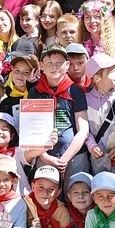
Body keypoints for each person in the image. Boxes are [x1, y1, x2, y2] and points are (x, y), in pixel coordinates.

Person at [25, 44, 90, 177]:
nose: (54, 67)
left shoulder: (75, 90)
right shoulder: (35, 92)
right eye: (49, 63)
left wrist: (65, 159)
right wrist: (45, 157)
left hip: (74, 156)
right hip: (45, 156)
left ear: (67, 65)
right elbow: (31, 130)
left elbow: (83, 130)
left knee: (75, 188)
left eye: (59, 63)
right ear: (41, 66)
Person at [84, 54, 115, 175]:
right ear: (97, 78)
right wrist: (91, 145)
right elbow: (84, 129)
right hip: (98, 160)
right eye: (112, 72)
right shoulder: (86, 100)